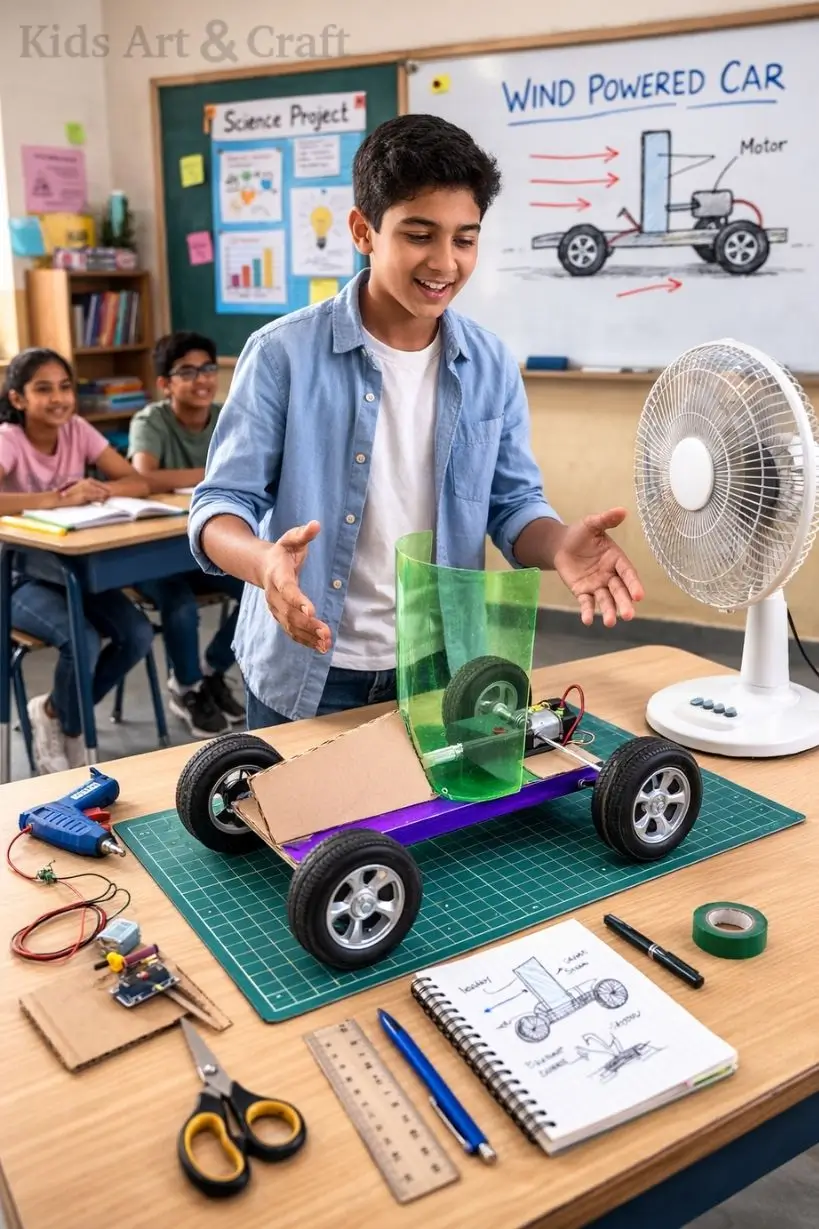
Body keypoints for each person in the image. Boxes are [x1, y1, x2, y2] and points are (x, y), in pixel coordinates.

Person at [187, 114, 645, 731]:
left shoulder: (490, 365)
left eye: (465, 238)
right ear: (363, 230)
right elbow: (220, 506)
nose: (445, 262)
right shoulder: (281, 355)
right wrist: (265, 562)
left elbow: (512, 506)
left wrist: (559, 542)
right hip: (309, 664)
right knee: (298, 827)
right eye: (419, 235)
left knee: (430, 827)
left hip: (440, 665)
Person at [0, 348, 155, 773]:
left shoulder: (78, 429)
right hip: (17, 580)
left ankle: (55, 713)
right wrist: (55, 498)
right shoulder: (9, 440)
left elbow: (135, 481)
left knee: (137, 634)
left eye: (65, 387)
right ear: (17, 399)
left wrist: (102, 489)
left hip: (76, 574)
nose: (58, 398)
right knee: (82, 640)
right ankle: (71, 728)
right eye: (43, 389)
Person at [127, 331, 245, 737]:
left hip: (206, 547)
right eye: (187, 371)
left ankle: (210, 670)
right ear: (165, 383)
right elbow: (143, 476)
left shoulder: (228, 415)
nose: (202, 379)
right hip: (153, 555)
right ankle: (187, 686)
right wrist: (212, 476)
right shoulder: (151, 420)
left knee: (258, 590)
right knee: (179, 606)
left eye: (208, 369)